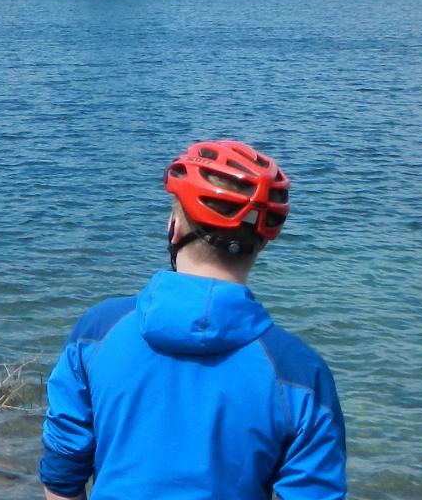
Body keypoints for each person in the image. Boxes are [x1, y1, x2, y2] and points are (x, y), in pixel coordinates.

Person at [39, 140, 347, 499]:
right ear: (262, 243)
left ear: (173, 228)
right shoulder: (300, 373)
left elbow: (62, 475)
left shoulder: (96, 333)